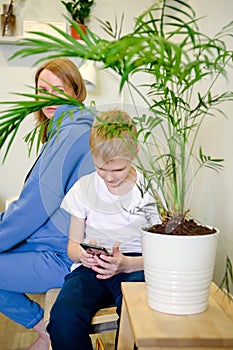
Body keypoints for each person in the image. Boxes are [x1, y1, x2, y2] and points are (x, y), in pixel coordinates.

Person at [0, 57, 94, 350]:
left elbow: (34, 206)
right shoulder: (68, 128)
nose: (47, 99)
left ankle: (45, 330)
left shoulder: (72, 132)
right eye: (42, 90)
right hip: (55, 242)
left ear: (76, 91)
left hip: (64, 255)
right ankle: (45, 331)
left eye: (58, 89)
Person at [47, 109, 161, 350]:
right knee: (63, 320)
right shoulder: (83, 189)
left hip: (134, 266)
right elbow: (73, 247)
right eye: (101, 168)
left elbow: (160, 252)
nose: (109, 178)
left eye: (118, 170)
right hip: (91, 268)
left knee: (140, 320)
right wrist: (83, 255)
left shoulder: (147, 189)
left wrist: (126, 265)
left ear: (134, 153)